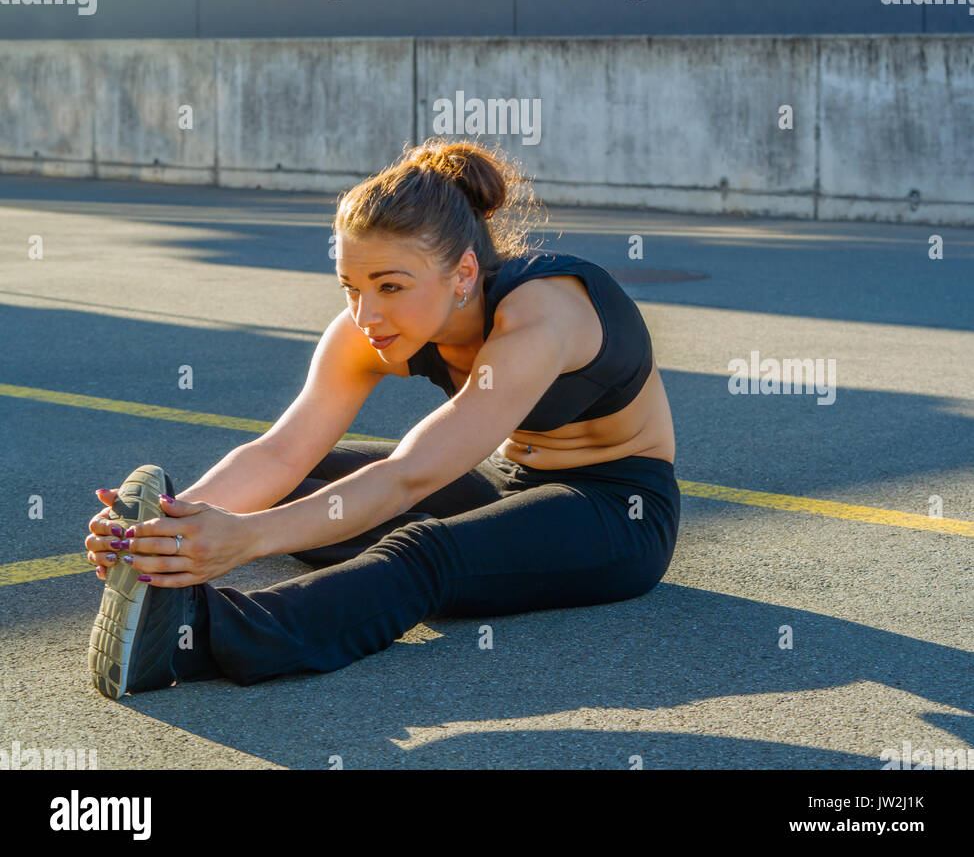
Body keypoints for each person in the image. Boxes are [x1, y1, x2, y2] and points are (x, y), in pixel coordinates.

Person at [86, 136, 679, 697]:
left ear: (464, 275)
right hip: (501, 485)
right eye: (351, 286)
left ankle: (198, 640)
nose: (366, 314)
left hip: (615, 510)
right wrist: (167, 532)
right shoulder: (367, 328)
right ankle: (174, 573)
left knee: (424, 551)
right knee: (310, 480)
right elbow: (282, 451)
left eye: (391, 286)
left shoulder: (541, 316)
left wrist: (245, 539)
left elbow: (409, 475)